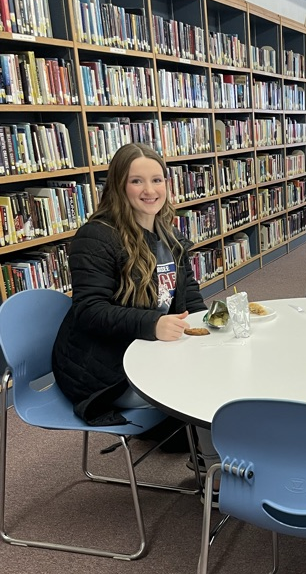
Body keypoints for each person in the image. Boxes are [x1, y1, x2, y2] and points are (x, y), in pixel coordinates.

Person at [52, 142, 205, 425]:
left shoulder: (167, 232)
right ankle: (199, 447)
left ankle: (195, 440)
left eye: (156, 180)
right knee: (202, 387)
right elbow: (89, 310)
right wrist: (152, 324)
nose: (150, 190)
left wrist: (206, 325)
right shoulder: (96, 237)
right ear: (119, 186)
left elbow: (188, 292)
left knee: (220, 364)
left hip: (148, 348)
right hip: (105, 370)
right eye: (136, 181)